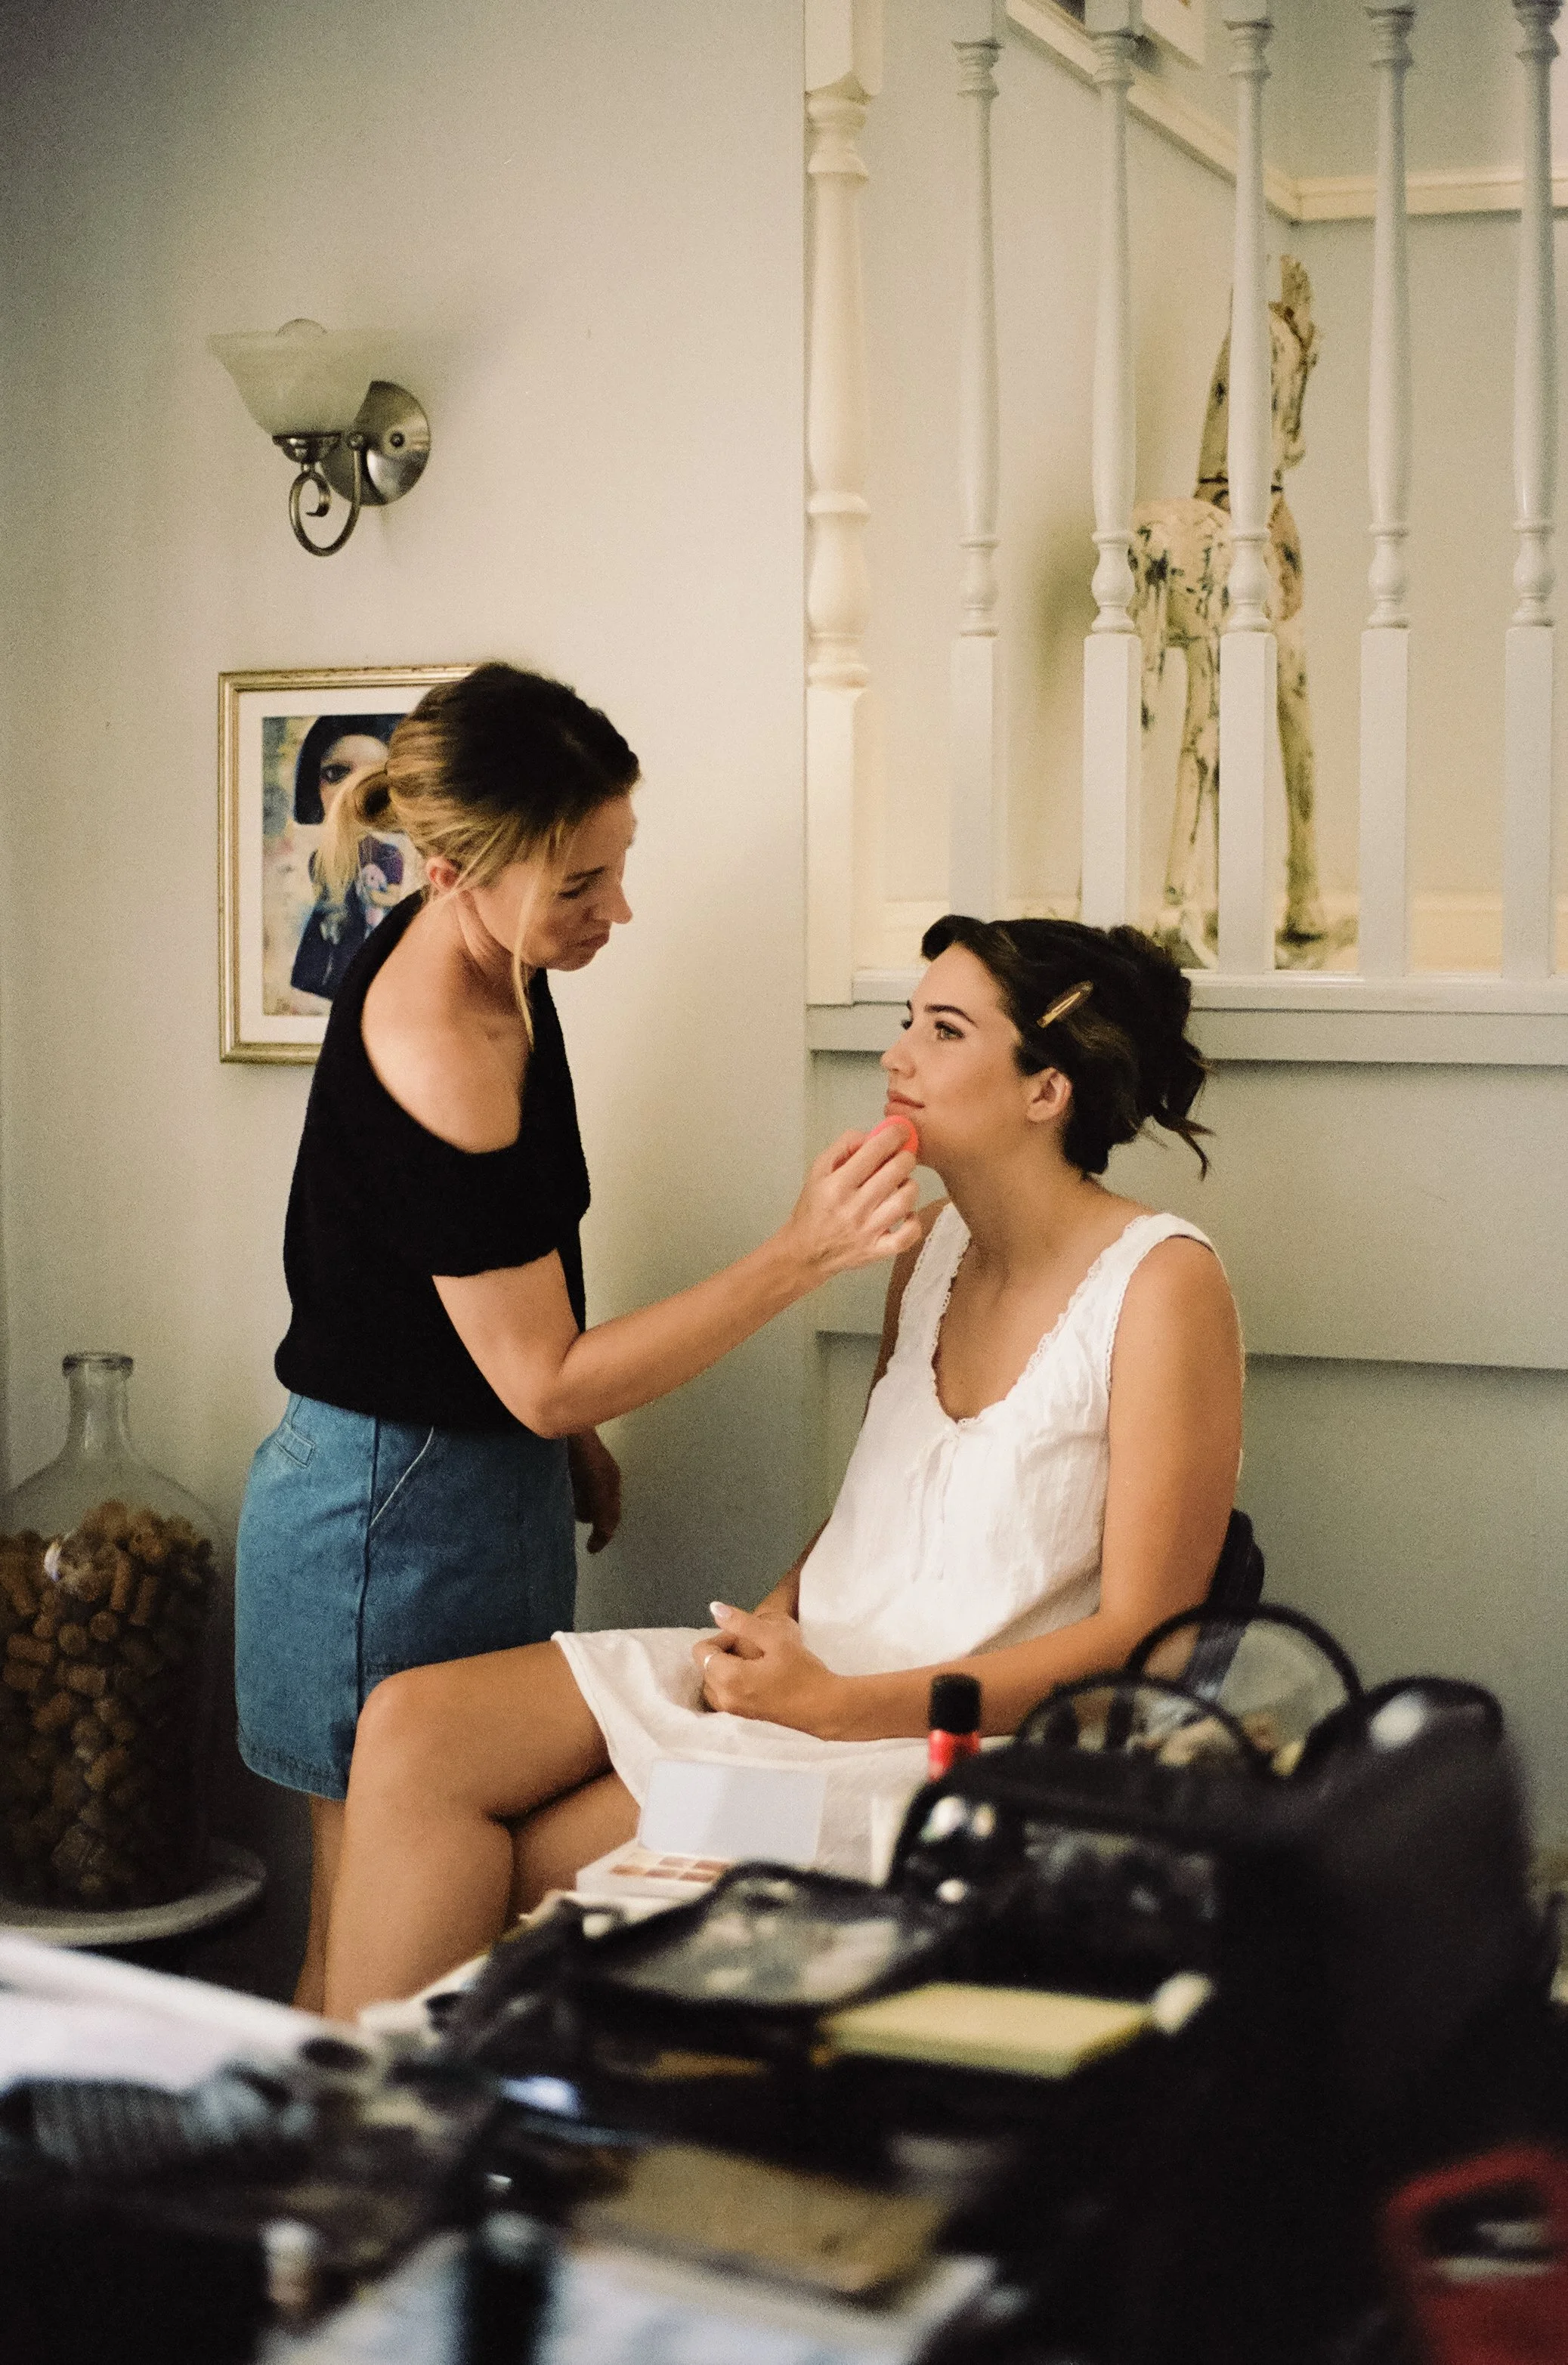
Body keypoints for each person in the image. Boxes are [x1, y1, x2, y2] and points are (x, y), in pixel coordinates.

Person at [318, 913, 1245, 2019]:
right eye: (907, 1020)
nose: (896, 1053)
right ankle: (356, 2119)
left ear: (1046, 1089)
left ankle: (377, 2134)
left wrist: (832, 1706)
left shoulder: (1161, 1285)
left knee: (528, 1862)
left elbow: (1147, 1643)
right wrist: (766, 1627)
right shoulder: (930, 1243)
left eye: (943, 1030)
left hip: (934, 1756)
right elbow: (880, 1510)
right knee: (414, 1722)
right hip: (810, 1674)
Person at [235, 663, 920, 2011]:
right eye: (580, 885)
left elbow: (508, 1291)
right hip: (383, 1520)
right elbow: (535, 1375)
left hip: (476, 1481)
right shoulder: (441, 1041)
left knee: (459, 1937)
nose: (618, 910)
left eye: (619, 866)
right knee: (367, 1974)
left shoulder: (502, 960)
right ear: (455, 867)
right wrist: (801, 1256)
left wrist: (568, 1439)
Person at [286, 713, 407, 1002]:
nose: (352, 791)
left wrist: (373, 897)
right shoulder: (319, 854)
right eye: (336, 774)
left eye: (377, 777)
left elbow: (392, 897)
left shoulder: (392, 854)